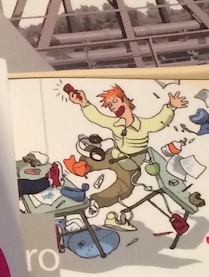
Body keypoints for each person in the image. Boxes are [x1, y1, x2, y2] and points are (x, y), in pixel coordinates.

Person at [66, 84, 187, 230]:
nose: (112, 106)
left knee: (124, 188)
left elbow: (160, 121)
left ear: (125, 100)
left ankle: (97, 202)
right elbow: (97, 118)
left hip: (130, 165)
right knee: (96, 159)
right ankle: (78, 167)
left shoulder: (144, 125)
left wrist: (170, 107)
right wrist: (84, 103)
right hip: (114, 155)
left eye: (114, 101)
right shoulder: (115, 123)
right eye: (109, 105)